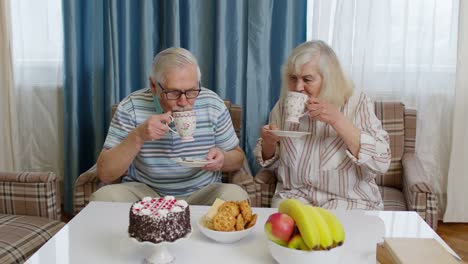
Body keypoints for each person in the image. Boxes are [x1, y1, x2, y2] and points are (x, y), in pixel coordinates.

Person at [91, 47, 249, 205]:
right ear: (153, 86)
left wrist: (223, 158)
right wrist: (138, 136)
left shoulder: (212, 103)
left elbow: (238, 158)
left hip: (202, 191)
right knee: (103, 198)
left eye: (191, 91)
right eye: (173, 92)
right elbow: (105, 173)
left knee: (235, 196)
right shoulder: (131, 107)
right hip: (145, 192)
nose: (183, 101)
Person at [254, 40, 391, 210]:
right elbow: (272, 164)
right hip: (295, 198)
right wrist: (269, 142)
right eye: (293, 78)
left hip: (349, 201)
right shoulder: (284, 106)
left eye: (307, 79)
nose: (298, 87)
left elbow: (382, 162)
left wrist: (338, 120)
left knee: (339, 235)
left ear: (329, 79)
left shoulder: (357, 103)